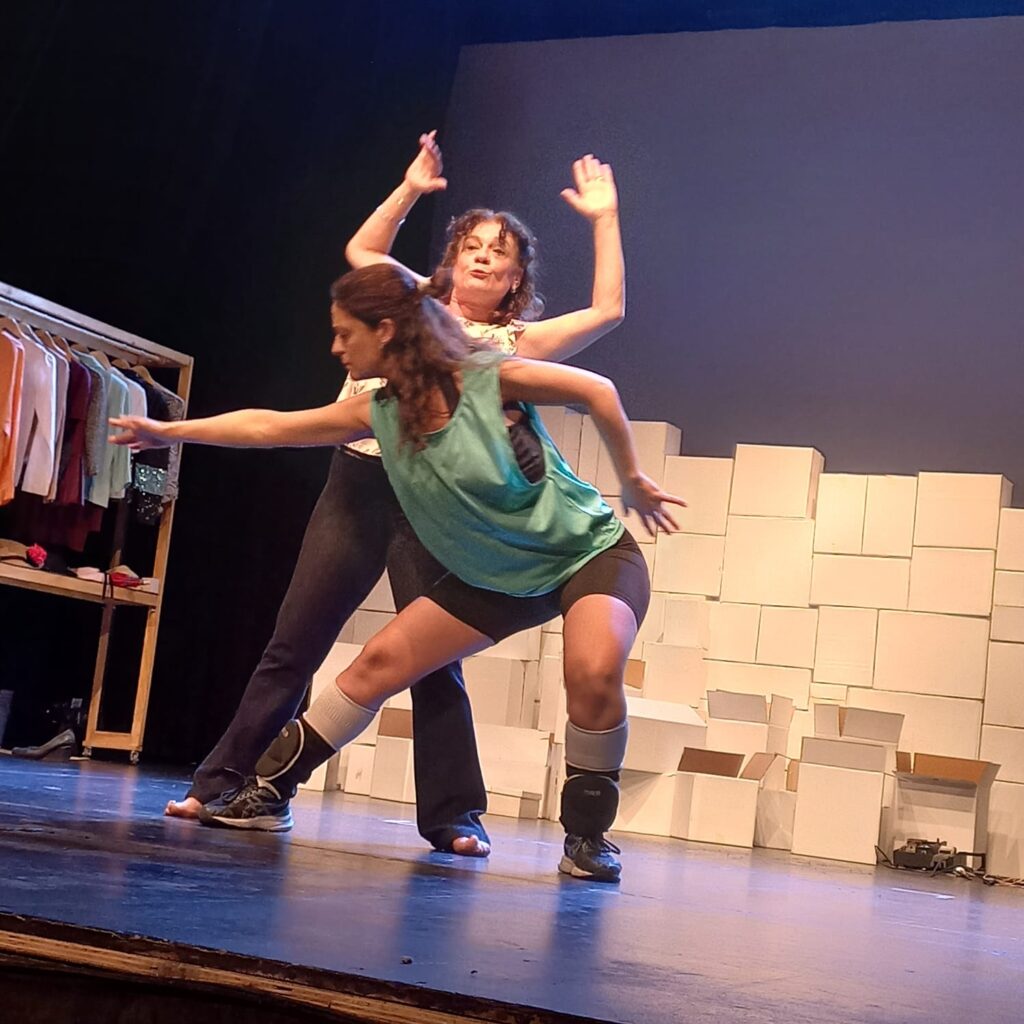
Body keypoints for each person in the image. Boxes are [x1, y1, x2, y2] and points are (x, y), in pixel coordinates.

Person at [112, 263, 684, 883]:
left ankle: (588, 837)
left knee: (592, 672)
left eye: (344, 333)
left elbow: (597, 389)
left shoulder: (485, 377)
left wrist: (631, 478)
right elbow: (269, 426)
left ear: (384, 331)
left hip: (587, 556)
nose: (336, 347)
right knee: (376, 666)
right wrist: (167, 430)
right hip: (494, 579)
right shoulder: (377, 412)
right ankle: (269, 794)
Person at [164, 133, 626, 861]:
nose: (482, 257)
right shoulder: (409, 304)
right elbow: (363, 251)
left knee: (430, 660)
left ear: (515, 279)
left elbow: (607, 314)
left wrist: (603, 218)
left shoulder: (510, 345)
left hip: (433, 501)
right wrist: (411, 188)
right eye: (470, 245)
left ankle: (454, 815)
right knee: (295, 641)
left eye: (499, 253)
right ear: (449, 259)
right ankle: (226, 782)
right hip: (357, 480)